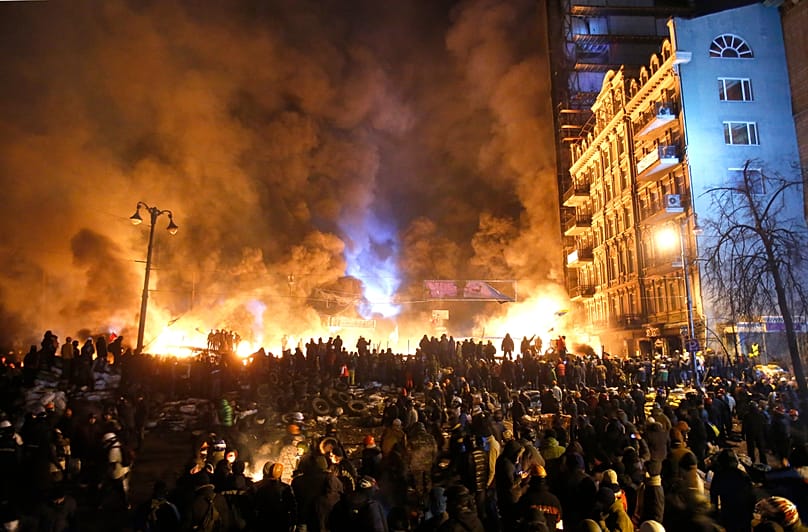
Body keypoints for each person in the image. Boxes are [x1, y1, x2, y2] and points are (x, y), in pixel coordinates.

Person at [252, 462, 297, 532]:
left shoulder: (261, 488)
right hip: (281, 523)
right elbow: (292, 506)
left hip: (264, 522)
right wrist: (293, 522)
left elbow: (256, 506)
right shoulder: (286, 488)